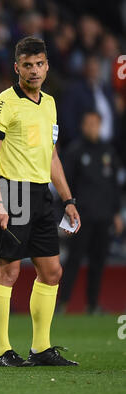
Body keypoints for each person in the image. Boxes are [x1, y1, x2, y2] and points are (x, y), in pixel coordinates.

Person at [0, 36, 81, 367]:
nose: (34, 70)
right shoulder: (1, 103)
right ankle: (2, 351)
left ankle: (41, 348)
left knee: (52, 271)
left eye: (39, 64)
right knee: (7, 271)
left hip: (42, 195)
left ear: (47, 66)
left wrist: (67, 198)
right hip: (13, 193)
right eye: (27, 65)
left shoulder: (50, 103)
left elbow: (51, 156)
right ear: (16, 67)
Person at [58, 111, 124, 314]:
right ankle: (62, 304)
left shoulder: (108, 152)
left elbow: (114, 185)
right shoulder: (75, 152)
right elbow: (65, 182)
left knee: (98, 260)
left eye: (96, 123)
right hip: (80, 216)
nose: (92, 127)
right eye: (88, 123)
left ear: (101, 125)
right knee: (73, 260)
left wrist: (116, 213)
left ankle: (92, 304)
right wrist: (66, 209)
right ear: (82, 126)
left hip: (103, 216)